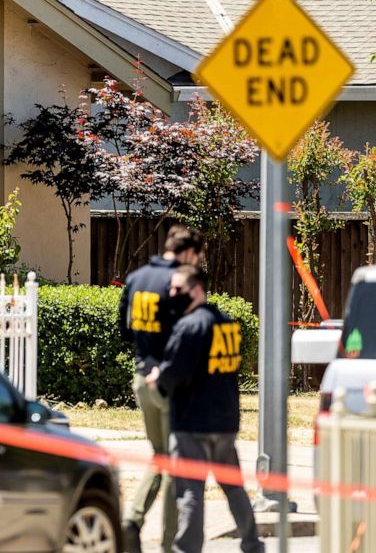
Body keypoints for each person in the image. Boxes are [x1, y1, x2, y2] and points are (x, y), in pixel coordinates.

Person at [147, 266, 264, 553]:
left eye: (177, 289)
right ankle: (252, 544)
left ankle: (187, 549)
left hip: (191, 423)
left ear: (196, 289)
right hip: (224, 421)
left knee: (190, 491)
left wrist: (157, 378)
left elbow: (176, 372)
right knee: (233, 486)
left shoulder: (188, 327)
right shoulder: (226, 324)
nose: (171, 294)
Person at [118, 225, 202, 553]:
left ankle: (133, 519)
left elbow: (124, 330)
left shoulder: (136, 279)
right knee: (174, 464)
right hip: (169, 381)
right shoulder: (178, 283)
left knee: (161, 456)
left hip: (141, 376)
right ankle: (170, 544)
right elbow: (187, 333)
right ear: (189, 252)